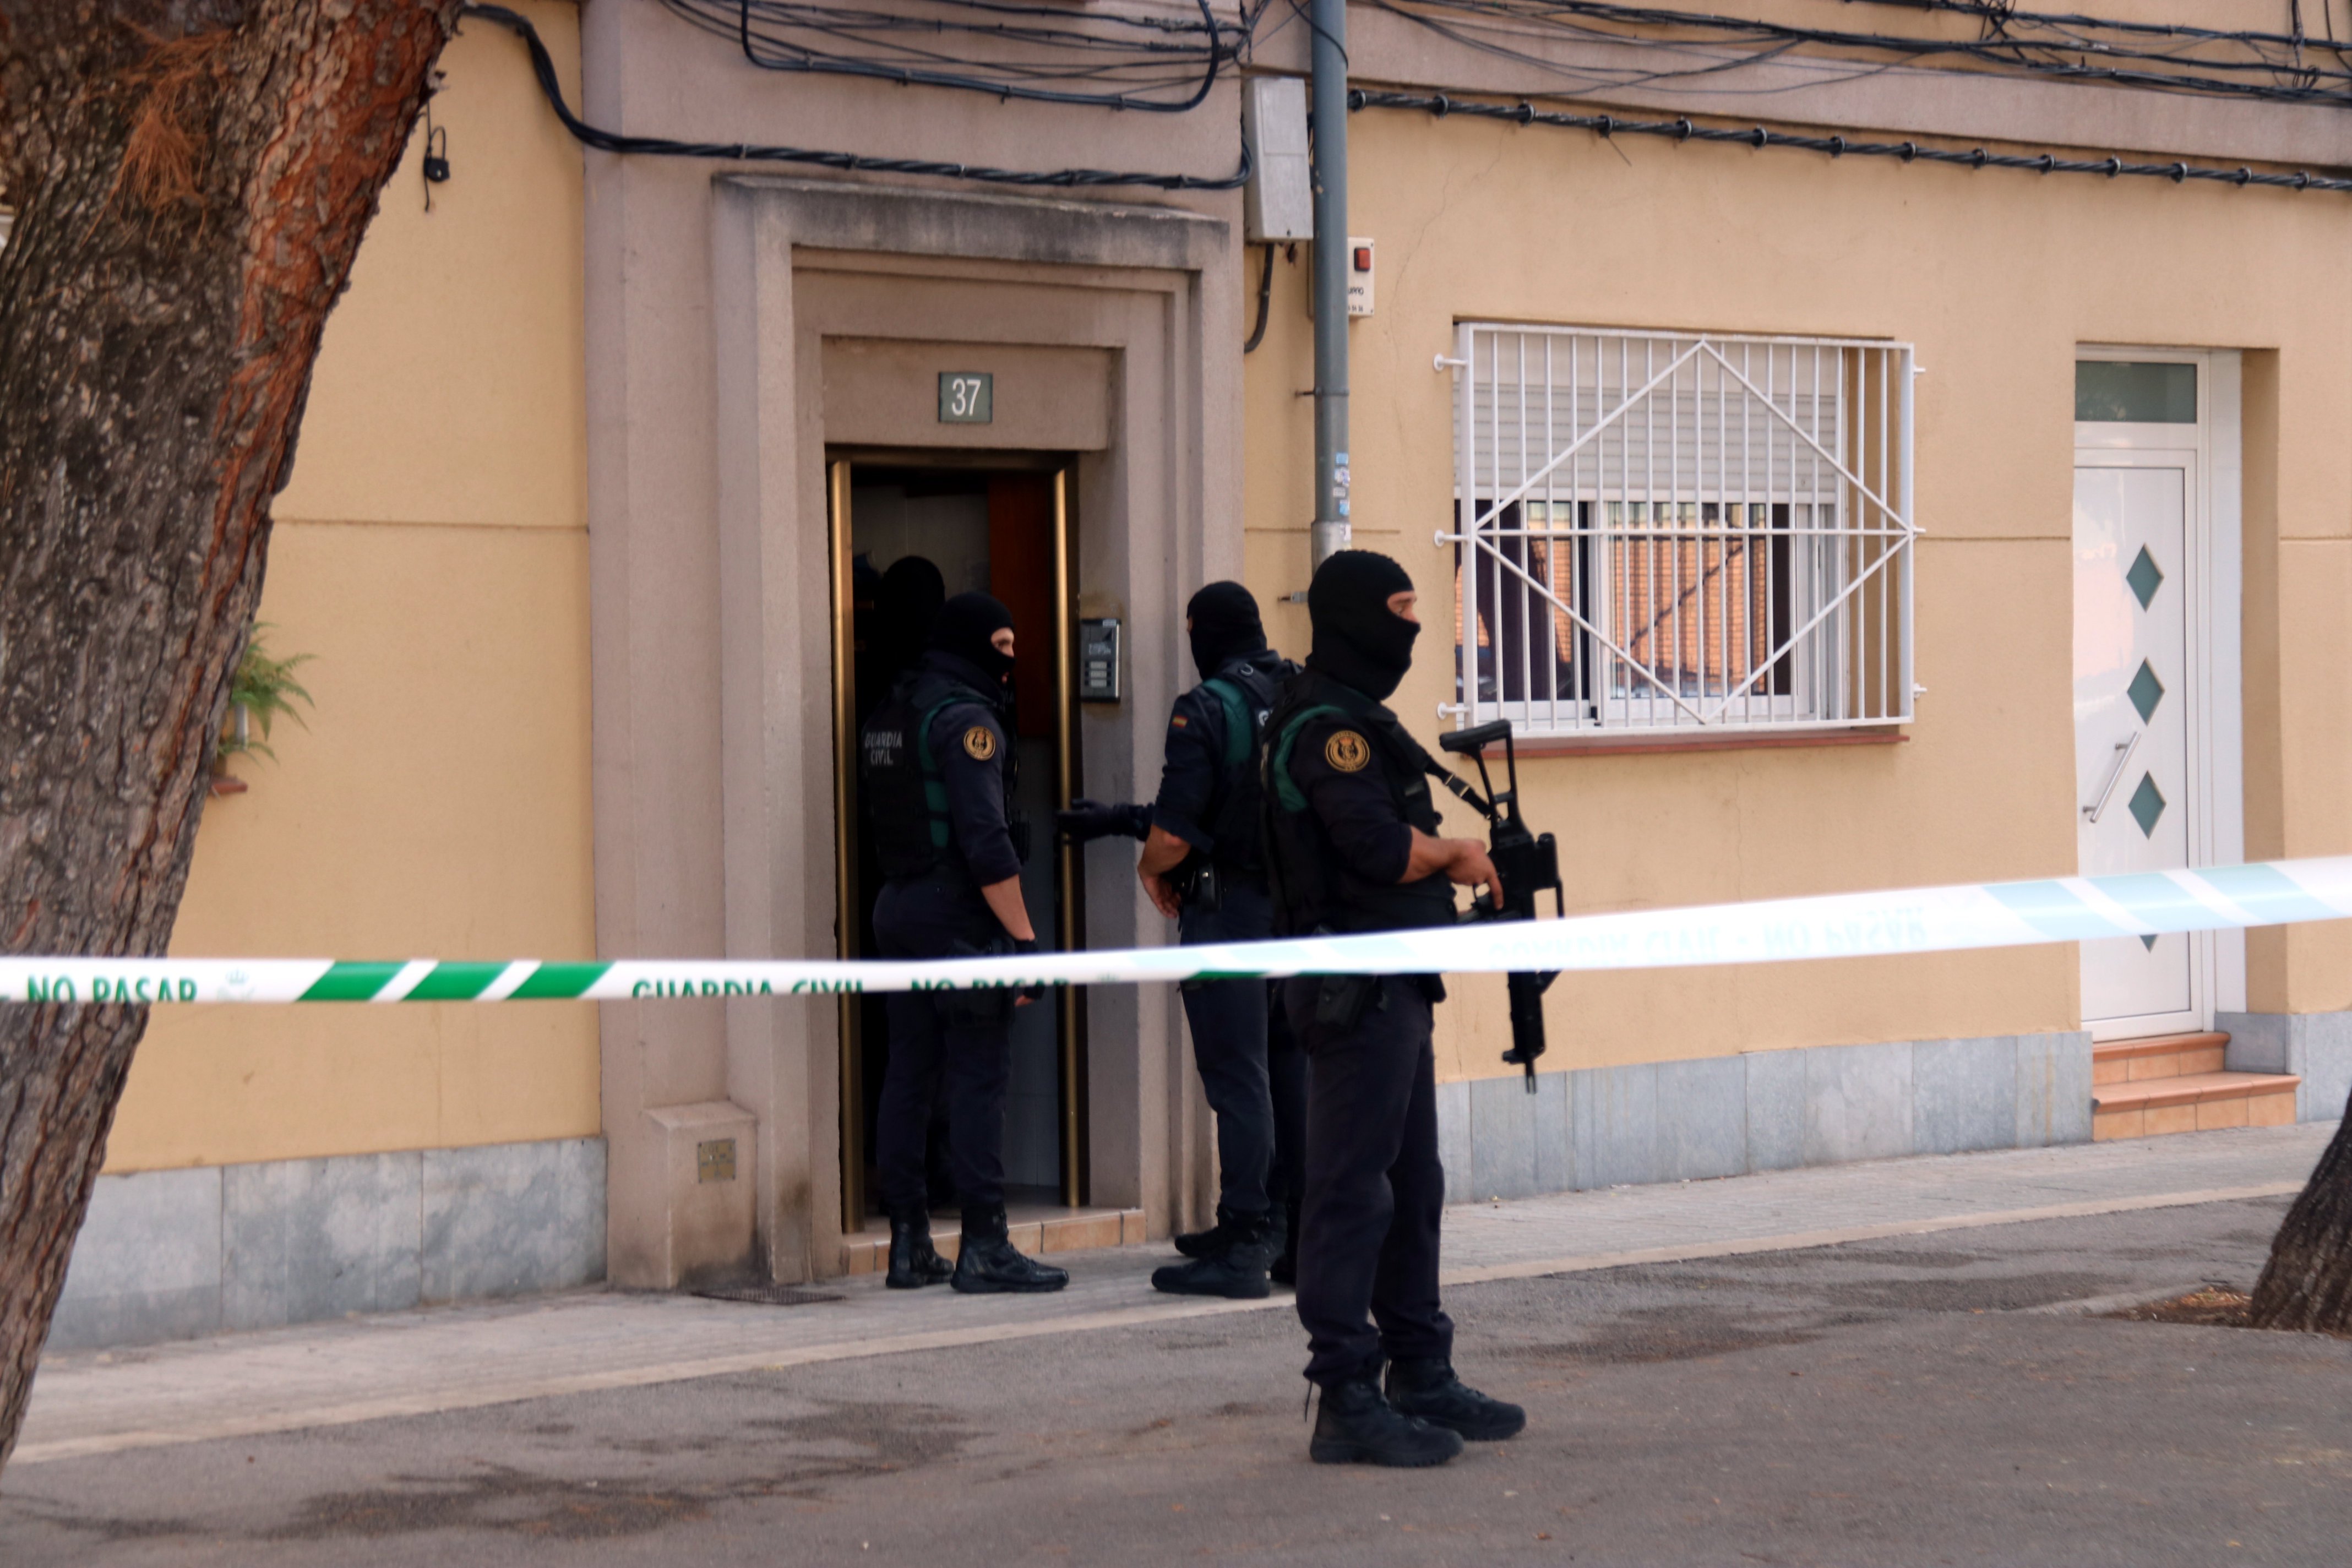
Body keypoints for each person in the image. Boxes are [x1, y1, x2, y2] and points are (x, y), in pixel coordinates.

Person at [1261, 550, 1527, 1467]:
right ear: (1352, 617)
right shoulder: (1327, 728)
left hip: (1395, 982)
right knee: (1350, 1189)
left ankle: (1418, 1365)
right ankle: (1343, 1391)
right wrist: (1454, 854)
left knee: (1412, 1186)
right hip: (1355, 987)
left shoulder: (1361, 719)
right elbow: (1371, 846)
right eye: (1401, 610)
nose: (1413, 629)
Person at [1059, 583, 1307, 1299]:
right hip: (1296, 916)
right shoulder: (1296, 691)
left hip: (1228, 918)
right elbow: (1241, 806)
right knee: (1288, 1073)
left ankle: (1247, 1234)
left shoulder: (1205, 708)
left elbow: (1178, 833)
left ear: (1205, 634)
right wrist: (1118, 819)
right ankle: (1287, 1229)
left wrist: (1148, 863)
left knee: (1239, 1077)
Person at [859, 591, 1068, 1295]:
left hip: (897, 907)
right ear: (973, 643)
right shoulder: (967, 720)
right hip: (956, 912)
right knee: (981, 1071)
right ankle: (985, 1241)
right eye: (1002, 646)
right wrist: (1027, 939)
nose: (1011, 660)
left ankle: (908, 1242)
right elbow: (987, 844)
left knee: (910, 1073)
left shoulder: (896, 707)